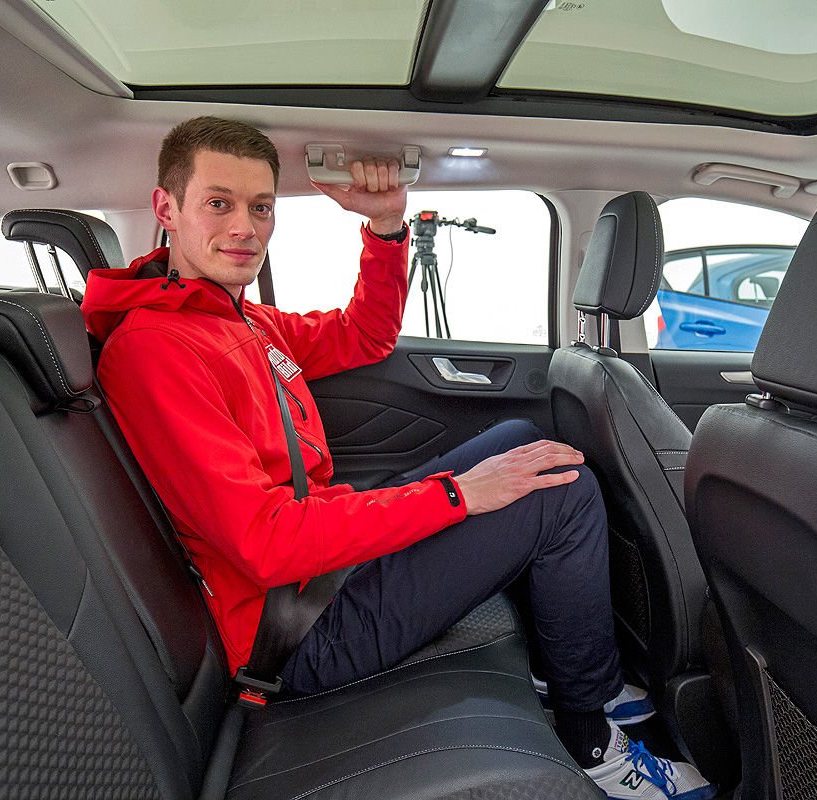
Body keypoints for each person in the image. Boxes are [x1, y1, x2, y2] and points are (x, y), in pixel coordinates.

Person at [81, 116, 713, 800]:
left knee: (521, 443)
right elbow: (265, 543)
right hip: (296, 630)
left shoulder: (240, 321)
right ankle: (590, 736)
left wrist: (384, 227)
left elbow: (365, 336)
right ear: (166, 208)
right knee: (559, 490)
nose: (245, 227)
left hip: (323, 571)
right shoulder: (156, 349)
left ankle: (568, 669)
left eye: (260, 207)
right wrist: (459, 495)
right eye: (218, 203)